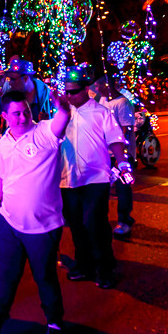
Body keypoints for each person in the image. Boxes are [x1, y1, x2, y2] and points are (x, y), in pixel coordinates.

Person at [0, 84, 73, 334]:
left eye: (25, 112)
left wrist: (62, 106)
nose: (23, 118)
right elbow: (3, 175)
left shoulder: (45, 132)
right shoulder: (3, 143)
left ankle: (55, 325)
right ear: (4, 116)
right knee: (5, 276)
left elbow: (62, 119)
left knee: (45, 277)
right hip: (8, 223)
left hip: (43, 226)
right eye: (15, 114)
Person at [58, 64, 131, 290]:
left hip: (96, 179)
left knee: (94, 223)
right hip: (68, 180)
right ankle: (84, 265)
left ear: (86, 89)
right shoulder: (62, 113)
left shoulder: (101, 113)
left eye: (74, 91)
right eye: (66, 91)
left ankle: (105, 268)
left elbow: (115, 139)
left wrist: (123, 163)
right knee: (77, 225)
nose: (69, 96)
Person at [91, 75, 138, 237]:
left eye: (98, 85)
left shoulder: (123, 103)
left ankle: (124, 220)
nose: (96, 89)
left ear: (107, 84)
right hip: (105, 154)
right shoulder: (102, 100)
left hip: (122, 156)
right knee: (102, 187)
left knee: (123, 188)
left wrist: (119, 153)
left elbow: (127, 130)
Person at [0, 57, 54, 123]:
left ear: (25, 79)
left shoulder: (45, 92)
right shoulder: (9, 89)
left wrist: (46, 123)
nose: (10, 82)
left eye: (13, 79)